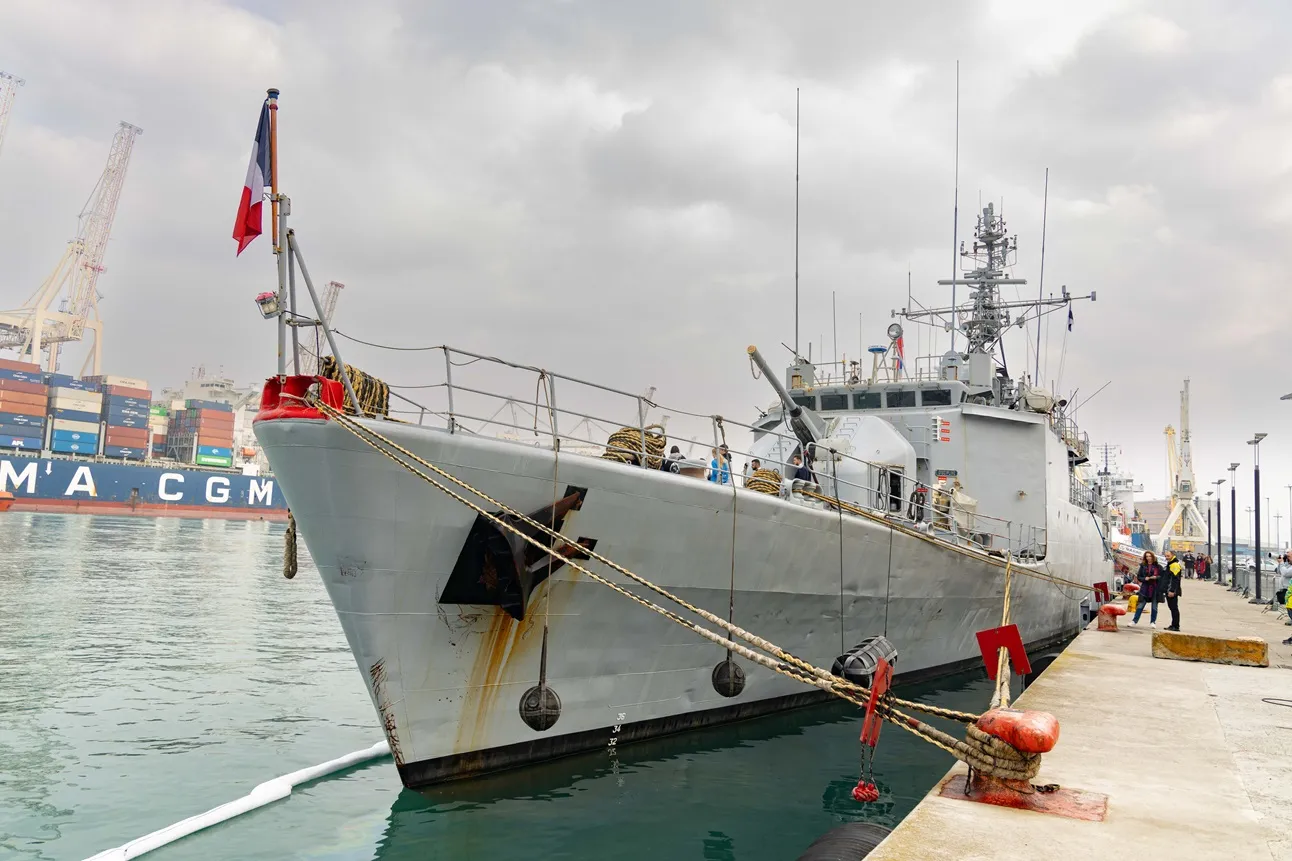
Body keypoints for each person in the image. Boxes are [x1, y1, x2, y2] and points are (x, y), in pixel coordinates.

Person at [1132, 551, 1163, 628]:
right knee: (1141, 605)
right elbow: (1139, 576)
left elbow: (1162, 576)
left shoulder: (1158, 566)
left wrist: (1156, 577)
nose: (1148, 558)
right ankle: (1134, 621)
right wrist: (1144, 578)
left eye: (1150, 556)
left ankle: (1153, 622)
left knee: (1154, 606)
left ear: (1153, 557)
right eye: (1147, 556)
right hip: (1145, 588)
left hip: (1155, 588)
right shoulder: (1143, 566)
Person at [1162, 553, 1184, 631]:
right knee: (1172, 608)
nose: (1166, 557)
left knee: (1174, 608)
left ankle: (1176, 626)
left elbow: (1175, 579)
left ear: (1172, 555)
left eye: (1168, 556)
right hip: (1169, 590)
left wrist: (1171, 591)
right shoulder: (1171, 564)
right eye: (1165, 556)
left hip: (1171, 591)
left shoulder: (1174, 565)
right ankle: (1174, 625)